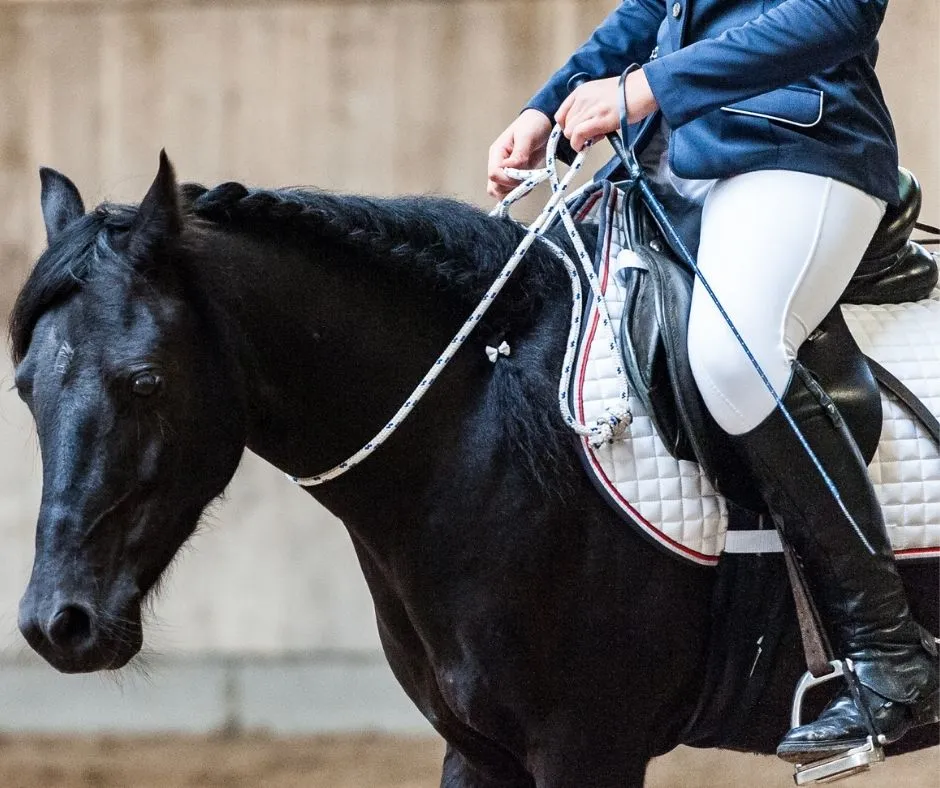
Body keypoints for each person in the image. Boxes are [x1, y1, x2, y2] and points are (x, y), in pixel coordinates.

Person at [486, 0, 939, 765]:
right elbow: (653, 9)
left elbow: (836, 15)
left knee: (734, 354)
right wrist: (548, 105)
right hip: (675, 157)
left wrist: (644, 88)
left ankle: (889, 653)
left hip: (799, 150)